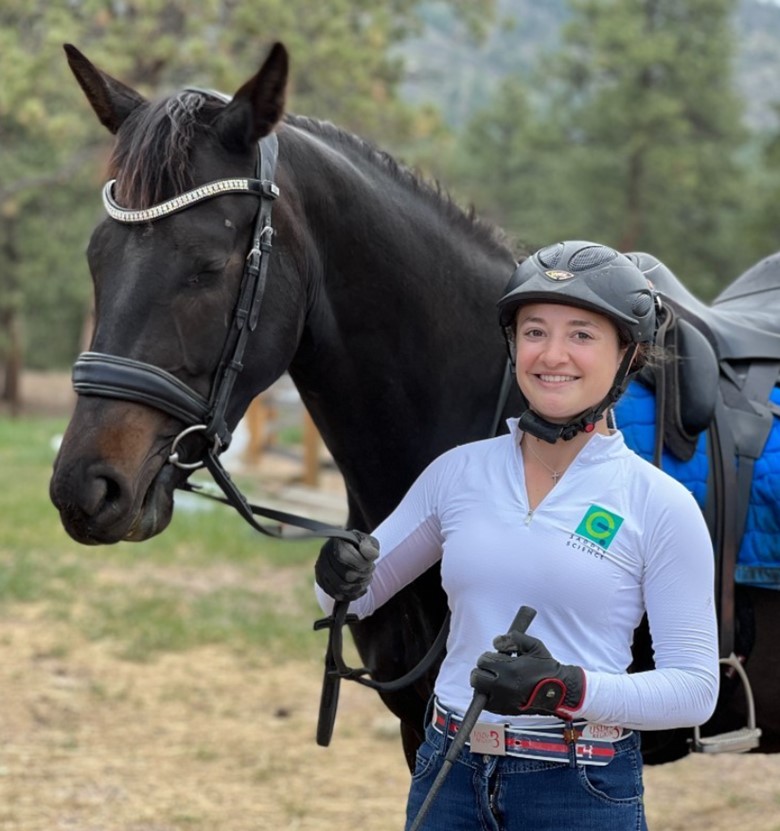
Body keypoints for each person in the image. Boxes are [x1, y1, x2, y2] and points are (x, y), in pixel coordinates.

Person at [314, 240, 719, 831]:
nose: (552, 355)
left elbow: (694, 690)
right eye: (534, 332)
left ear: (627, 354)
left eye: (582, 334)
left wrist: (563, 689)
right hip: (447, 772)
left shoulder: (660, 505)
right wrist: (337, 575)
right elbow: (343, 601)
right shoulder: (458, 473)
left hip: (577, 787)